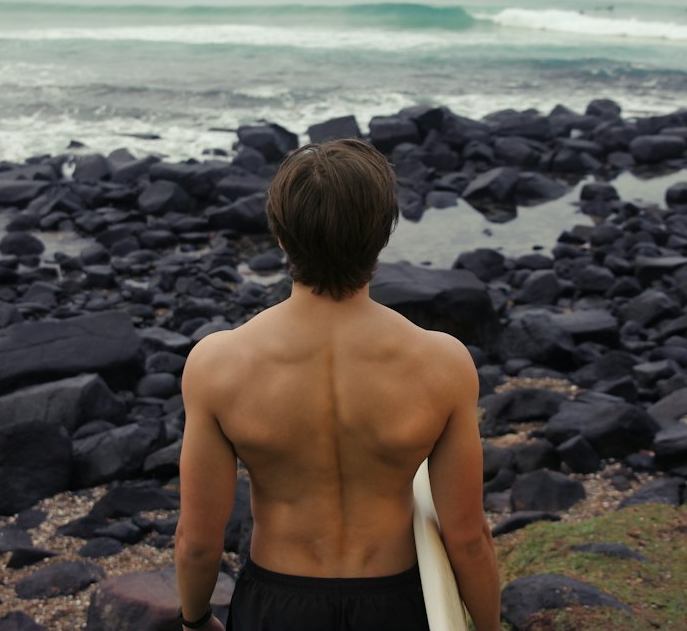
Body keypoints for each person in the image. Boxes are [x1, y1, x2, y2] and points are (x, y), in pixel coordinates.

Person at [174, 138, 501, 631]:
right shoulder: (442, 363)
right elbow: (468, 537)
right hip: (395, 604)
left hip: (276, 604)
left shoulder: (218, 364)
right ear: (382, 235)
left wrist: (194, 621)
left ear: (281, 237)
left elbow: (199, 540)